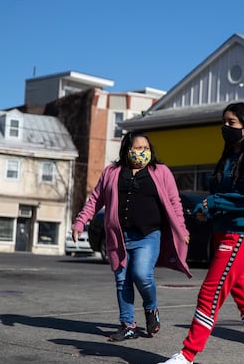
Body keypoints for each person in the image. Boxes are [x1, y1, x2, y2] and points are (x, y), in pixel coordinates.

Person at [156, 102, 244, 364]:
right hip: (225, 233)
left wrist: (216, 201)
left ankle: (186, 358)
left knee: (210, 292)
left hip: (242, 236)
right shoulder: (227, 159)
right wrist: (208, 209)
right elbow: (225, 199)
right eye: (223, 121)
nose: (225, 127)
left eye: (231, 123)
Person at [72, 131, 191, 342]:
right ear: (127, 149)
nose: (142, 152)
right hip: (118, 236)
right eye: (138, 148)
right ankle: (128, 325)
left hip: (148, 235)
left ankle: (151, 308)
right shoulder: (112, 172)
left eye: (146, 148)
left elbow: (175, 202)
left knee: (142, 275)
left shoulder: (160, 171)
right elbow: (95, 199)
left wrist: (182, 229)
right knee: (122, 281)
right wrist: (81, 221)